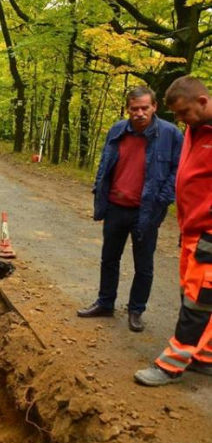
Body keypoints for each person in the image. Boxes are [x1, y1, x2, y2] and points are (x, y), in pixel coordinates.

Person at [78, 86, 183, 332]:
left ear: (154, 107)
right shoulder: (117, 130)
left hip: (146, 211)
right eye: (134, 109)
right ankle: (105, 303)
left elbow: (178, 171)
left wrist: (162, 200)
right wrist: (99, 189)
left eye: (144, 108)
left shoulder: (171, 134)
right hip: (116, 207)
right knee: (109, 258)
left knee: (143, 265)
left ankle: (136, 310)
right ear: (128, 109)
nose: (139, 113)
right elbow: (106, 163)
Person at [135, 76, 212, 386]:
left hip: (209, 233)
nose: (180, 121)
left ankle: (171, 365)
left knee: (198, 299)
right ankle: (204, 356)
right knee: (193, 295)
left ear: (203, 102)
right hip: (192, 229)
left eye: (184, 113)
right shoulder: (196, 131)